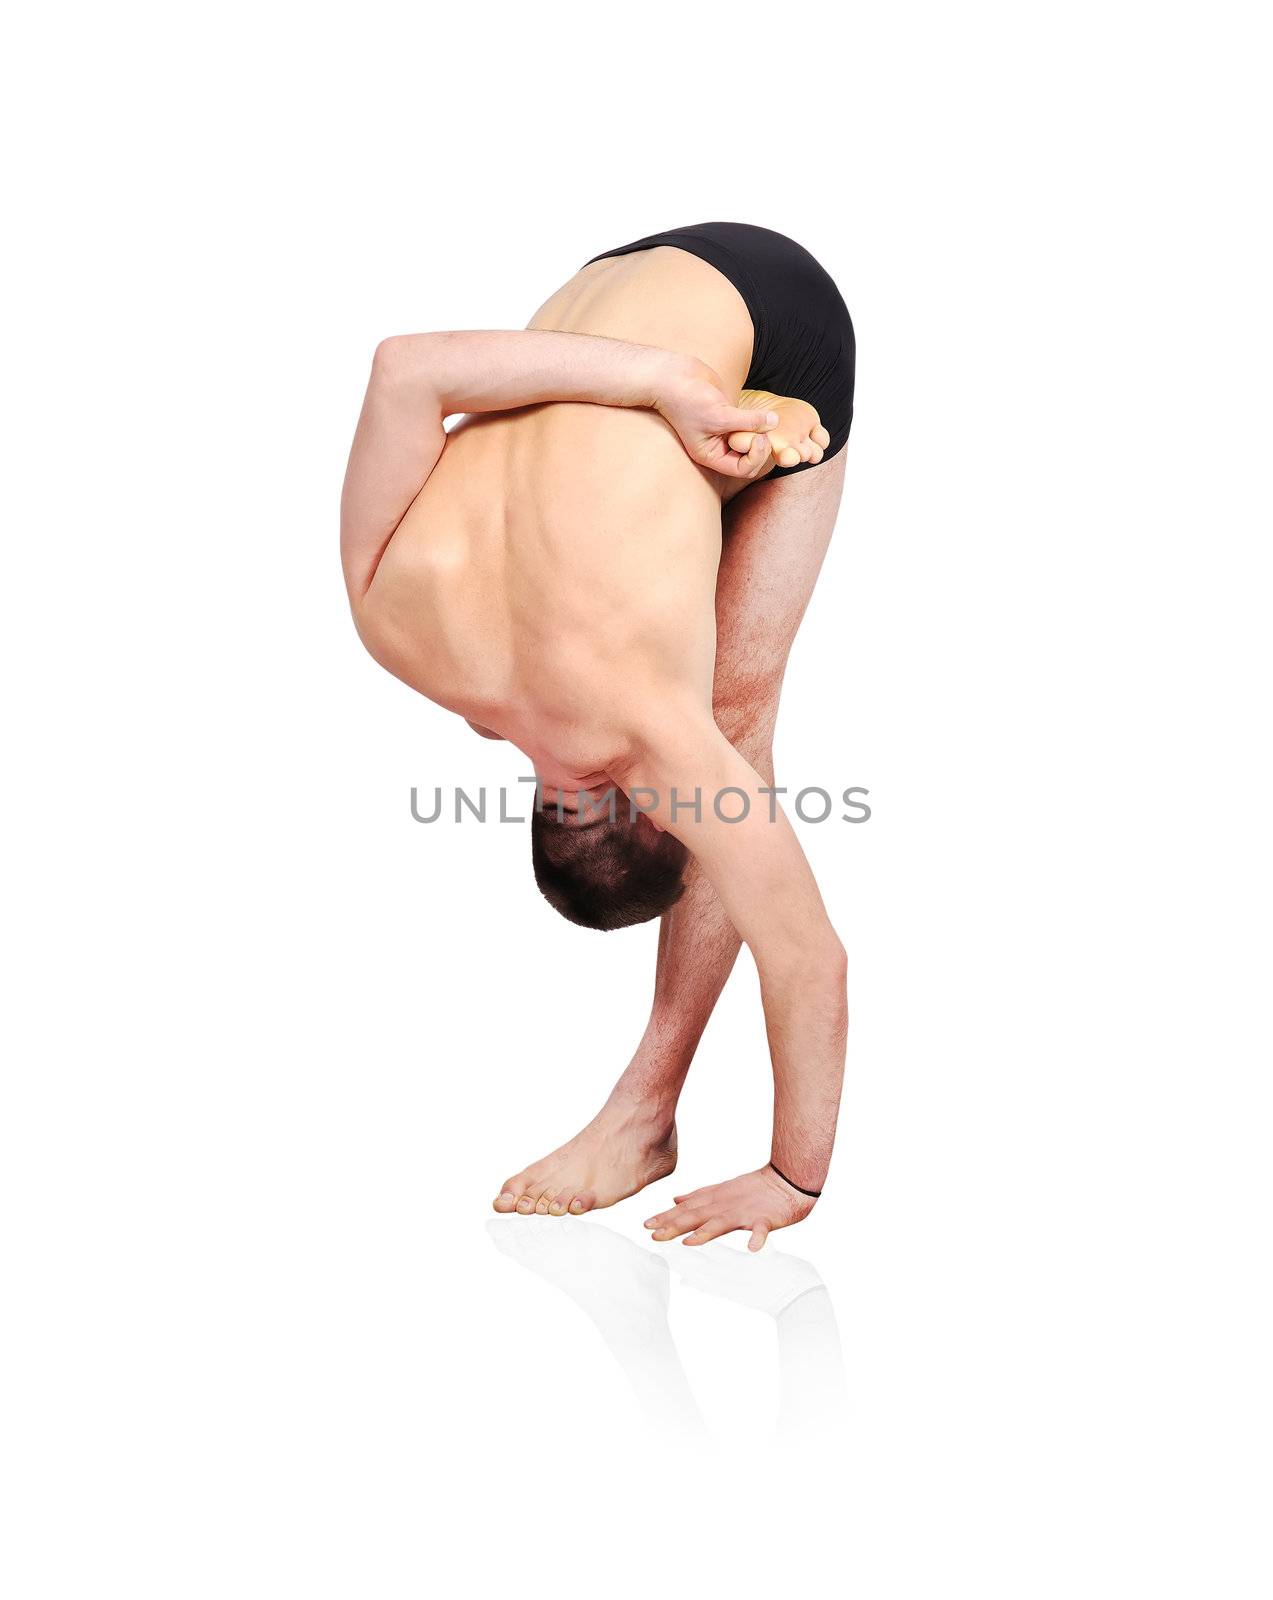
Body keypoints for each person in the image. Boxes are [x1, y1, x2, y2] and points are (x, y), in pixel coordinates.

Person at [341, 222, 855, 1249]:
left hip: (782, 315)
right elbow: (407, 370)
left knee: (734, 716)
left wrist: (796, 1179)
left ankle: (647, 1112)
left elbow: (810, 960)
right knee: (679, 622)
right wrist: (652, 377)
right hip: (604, 283)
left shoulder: (668, 737)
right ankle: (709, 442)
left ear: (661, 811)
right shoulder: (387, 627)